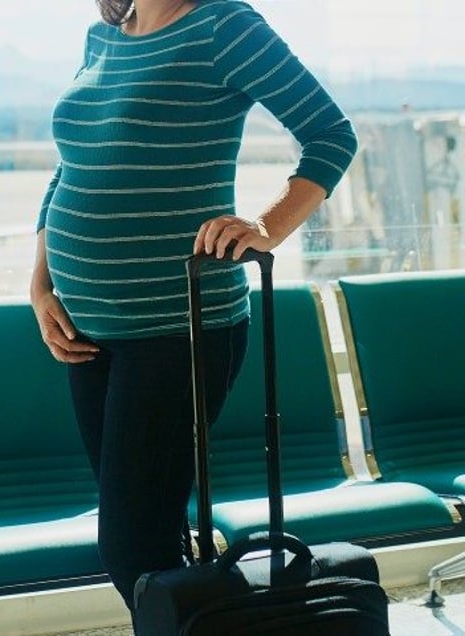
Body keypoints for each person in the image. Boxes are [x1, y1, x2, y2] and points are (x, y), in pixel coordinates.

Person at [29, 0, 358, 619]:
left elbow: (331, 134)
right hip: (88, 331)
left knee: (129, 546)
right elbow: (68, 171)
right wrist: (41, 286)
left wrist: (265, 226)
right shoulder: (104, 37)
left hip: (178, 326)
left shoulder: (223, 25)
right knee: (152, 539)